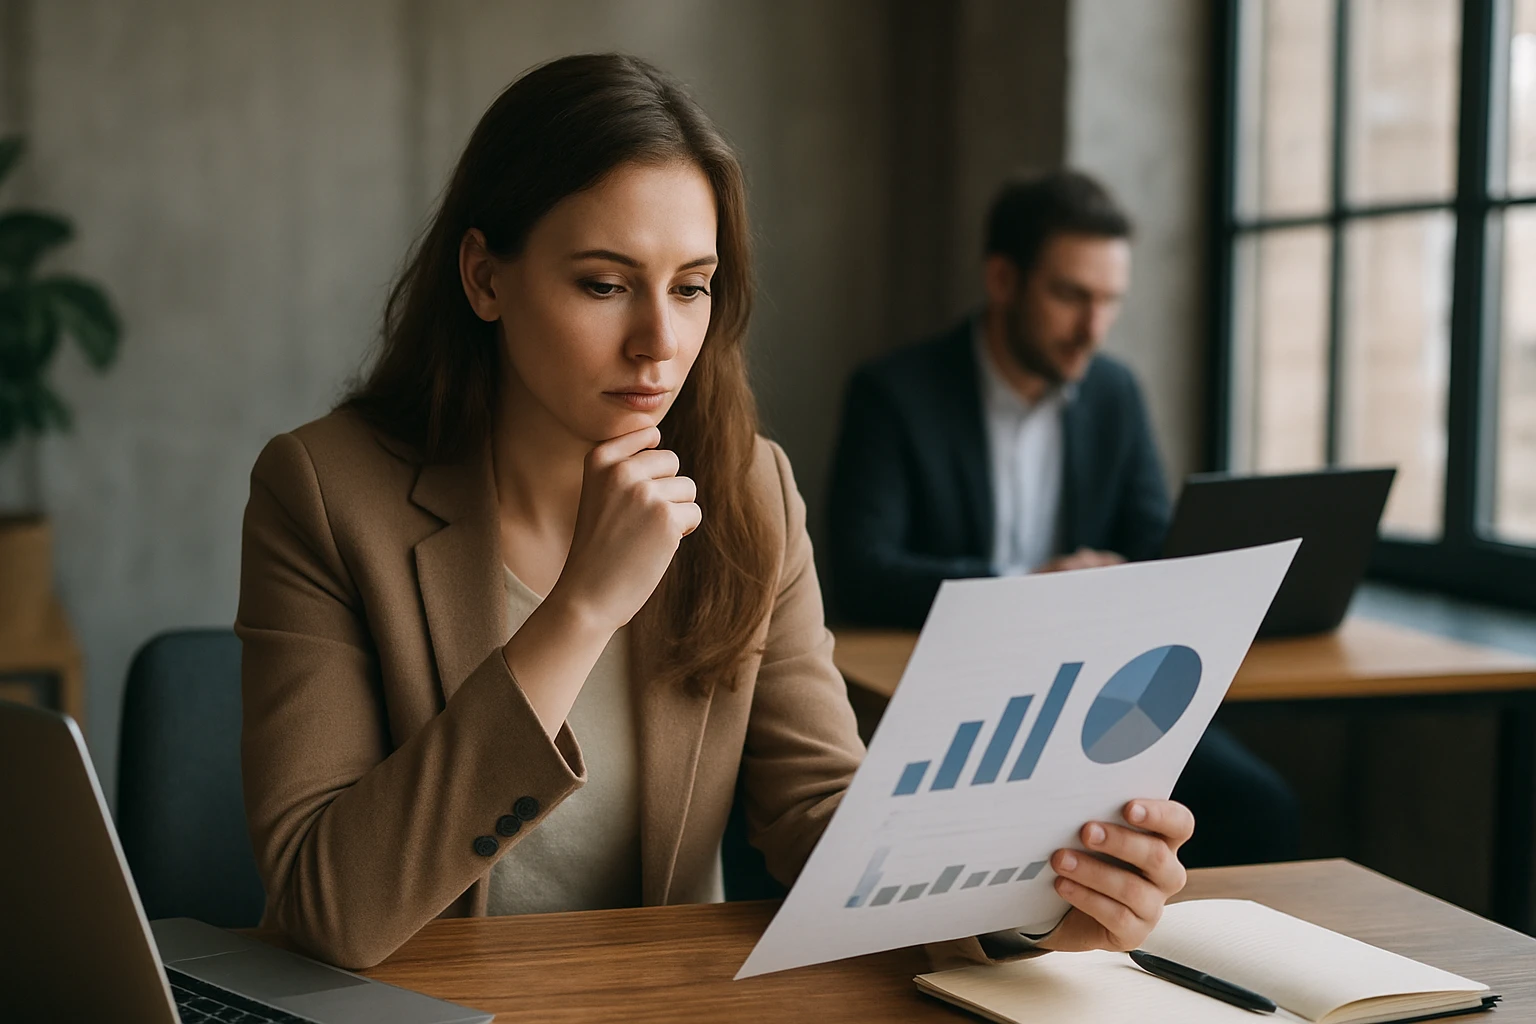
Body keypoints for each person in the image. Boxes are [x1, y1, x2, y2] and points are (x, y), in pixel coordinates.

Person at [236, 55, 1195, 971]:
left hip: (670, 1005)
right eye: (605, 285)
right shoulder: (323, 493)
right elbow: (328, 910)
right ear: (485, 277)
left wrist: (1026, 895)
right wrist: (579, 612)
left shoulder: (748, 489)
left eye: (692, 287)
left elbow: (819, 808)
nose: (659, 341)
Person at [828, 170, 1299, 868]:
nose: (1093, 328)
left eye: (1109, 301)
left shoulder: (1114, 392)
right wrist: (1027, 584)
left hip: (1099, 692)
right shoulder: (895, 393)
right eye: (1071, 296)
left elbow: (1154, 550)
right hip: (962, 695)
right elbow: (864, 570)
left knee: (1260, 807)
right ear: (1002, 279)